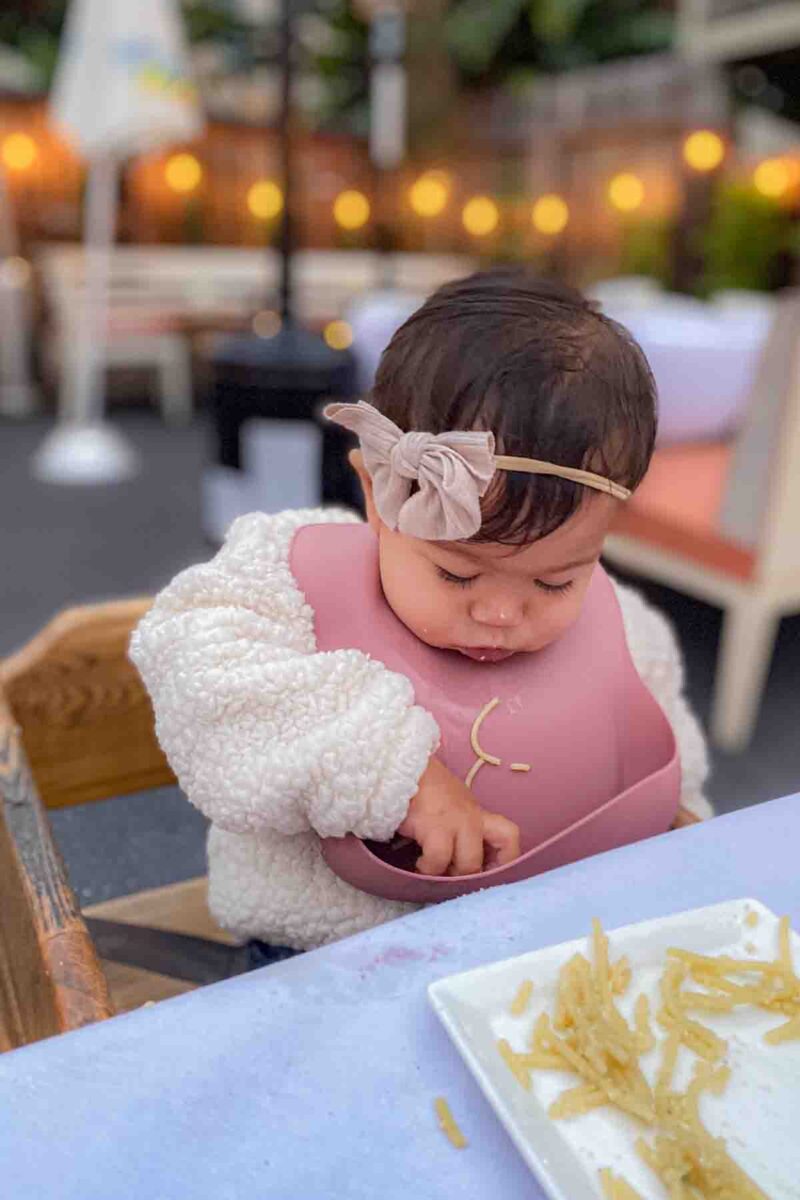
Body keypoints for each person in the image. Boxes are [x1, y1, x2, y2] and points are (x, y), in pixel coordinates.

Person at [130, 270, 710, 959]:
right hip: (328, 954)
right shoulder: (283, 577)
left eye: (554, 581)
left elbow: (657, 743)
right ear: (377, 495)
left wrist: (669, 814)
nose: (500, 612)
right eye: (457, 573)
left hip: (544, 942)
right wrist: (391, 772)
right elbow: (199, 671)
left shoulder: (623, 627)